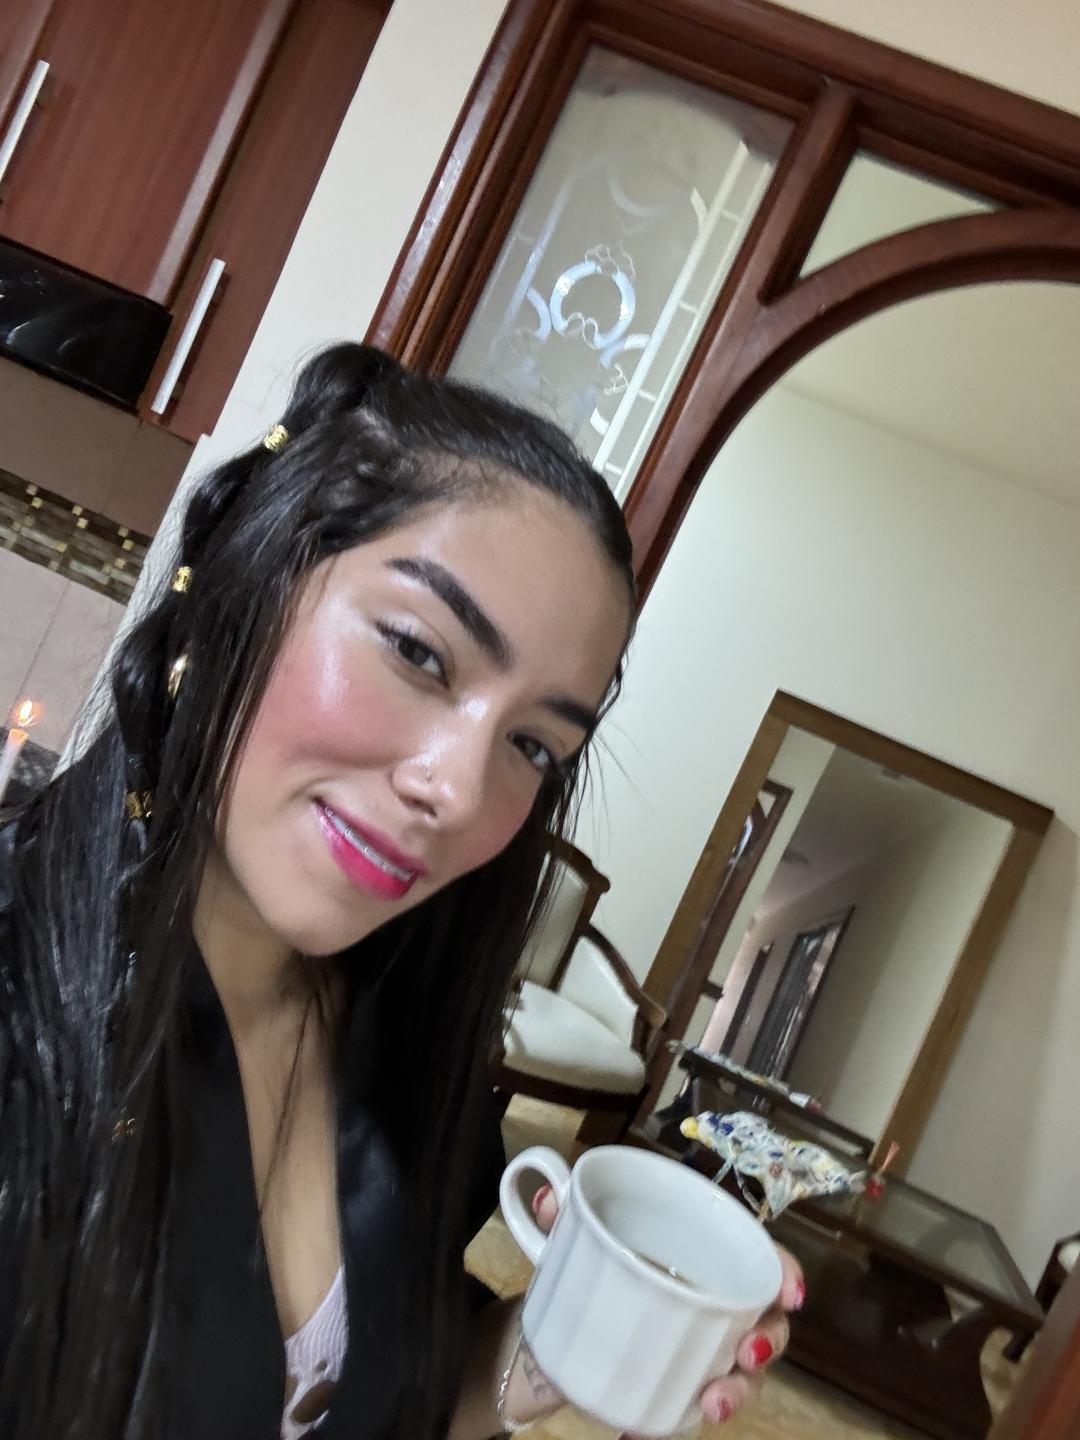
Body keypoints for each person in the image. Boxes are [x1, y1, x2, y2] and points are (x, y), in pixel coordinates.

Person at [0, 344, 802, 1440]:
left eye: (533, 743)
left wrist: (559, 1346)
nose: (459, 791)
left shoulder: (406, 1052)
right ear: (251, 577)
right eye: (419, 652)